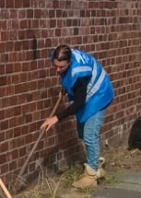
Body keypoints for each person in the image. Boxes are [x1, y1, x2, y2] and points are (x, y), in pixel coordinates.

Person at [41, 45, 115, 190]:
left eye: (61, 67)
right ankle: (95, 162)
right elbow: (70, 80)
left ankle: (91, 175)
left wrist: (56, 117)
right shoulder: (60, 55)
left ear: (69, 61)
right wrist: (67, 86)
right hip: (87, 93)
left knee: (89, 135)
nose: (57, 70)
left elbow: (79, 103)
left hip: (99, 94)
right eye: (55, 66)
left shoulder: (79, 73)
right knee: (82, 133)